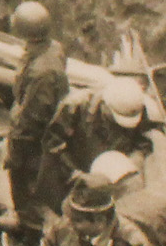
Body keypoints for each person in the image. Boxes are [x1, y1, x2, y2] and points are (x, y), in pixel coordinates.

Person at [5, 1, 69, 246]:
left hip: (34, 142)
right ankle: (23, 224)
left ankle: (29, 245)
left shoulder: (43, 72)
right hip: (37, 134)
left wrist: (15, 150)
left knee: (27, 188)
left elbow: (33, 118)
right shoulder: (51, 50)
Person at [40, 75, 160, 209]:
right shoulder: (75, 106)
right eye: (116, 119)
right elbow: (53, 146)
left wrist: (136, 159)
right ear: (105, 105)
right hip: (76, 173)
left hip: (113, 177)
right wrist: (75, 173)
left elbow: (144, 140)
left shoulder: (137, 106)